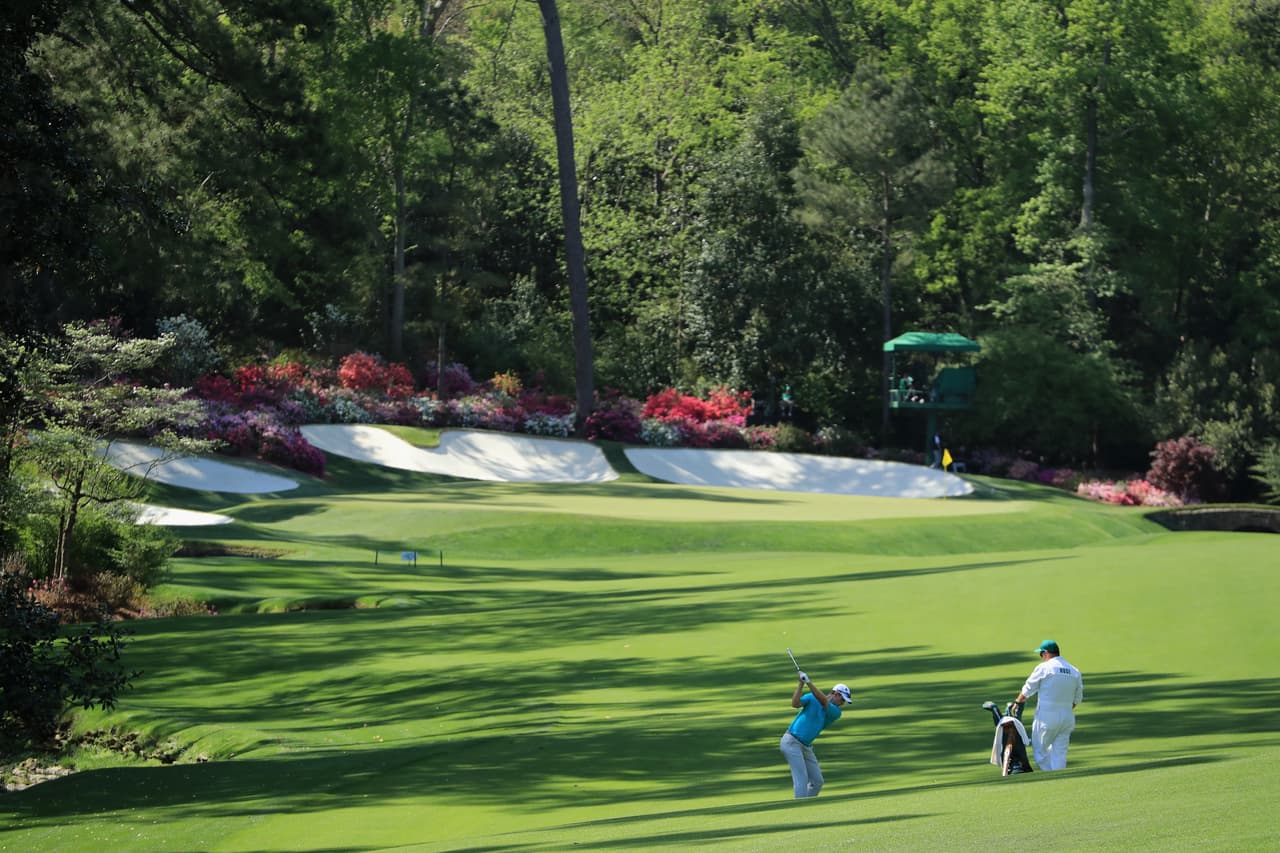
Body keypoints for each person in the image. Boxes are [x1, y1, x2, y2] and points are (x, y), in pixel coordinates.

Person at [1013, 640, 1083, 771]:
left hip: (1047, 716)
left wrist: (1017, 702)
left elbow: (1029, 688)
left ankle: (1051, 777)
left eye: (1041, 654)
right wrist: (1065, 709)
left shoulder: (1044, 667)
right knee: (1060, 753)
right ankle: (1060, 778)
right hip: (1067, 717)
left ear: (1045, 653)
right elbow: (1077, 698)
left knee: (1040, 751)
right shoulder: (1074, 671)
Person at [780, 672, 851, 798]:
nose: (842, 704)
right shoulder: (811, 697)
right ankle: (799, 808)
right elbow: (795, 704)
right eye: (842, 700)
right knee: (801, 778)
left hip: (806, 746)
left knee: (817, 781)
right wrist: (801, 684)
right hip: (791, 741)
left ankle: (805, 804)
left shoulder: (835, 712)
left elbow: (823, 700)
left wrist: (808, 682)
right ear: (836, 694)